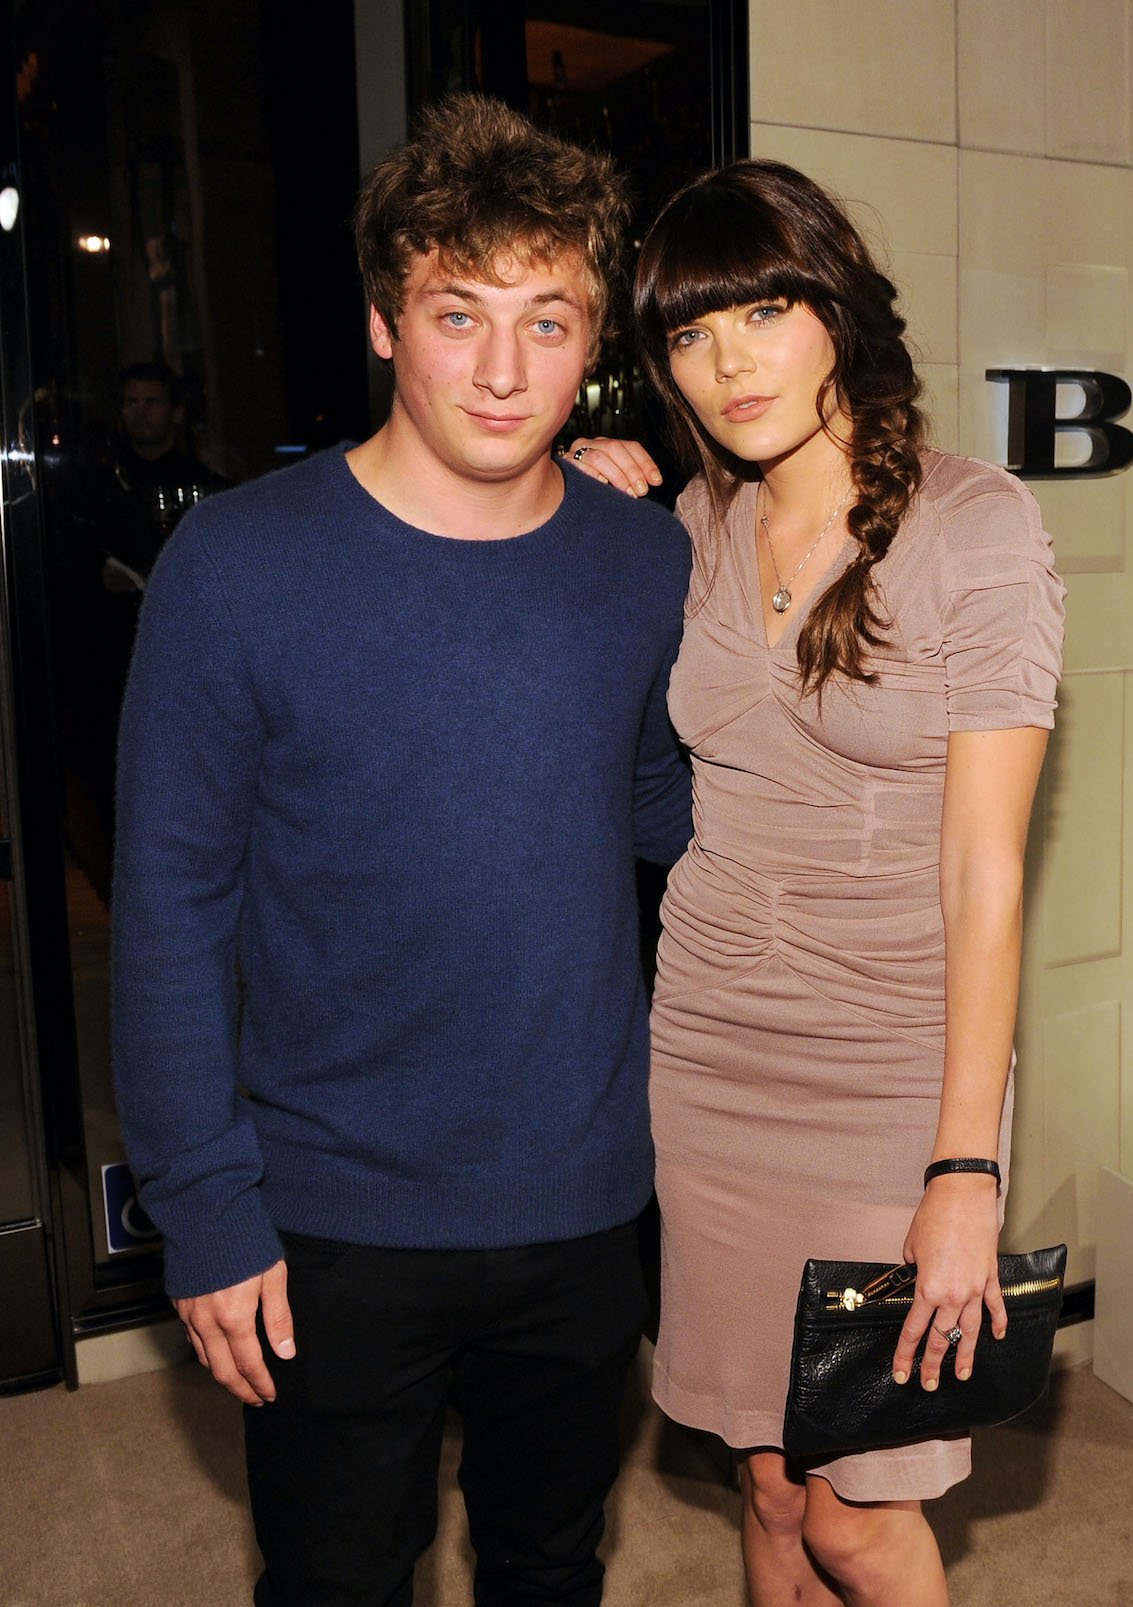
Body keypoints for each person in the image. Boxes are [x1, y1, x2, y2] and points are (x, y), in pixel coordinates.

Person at [111, 94, 690, 1607]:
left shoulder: (643, 558)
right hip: (324, 1217)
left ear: (594, 345)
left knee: (552, 1565)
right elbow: (169, 909)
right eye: (457, 313)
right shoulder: (234, 567)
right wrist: (205, 1210)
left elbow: (667, 815)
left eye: (549, 323)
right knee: (333, 1584)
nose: (504, 372)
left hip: (582, 1199)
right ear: (384, 322)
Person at [571, 159, 1063, 1606]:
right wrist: (575, 484)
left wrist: (962, 1170)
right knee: (774, 1490)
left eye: (760, 313)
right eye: (685, 334)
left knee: (860, 1512)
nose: (725, 365)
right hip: (712, 1060)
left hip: (893, 1084)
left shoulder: (979, 528)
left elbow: (986, 873)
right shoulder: (691, 529)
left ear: (835, 310)